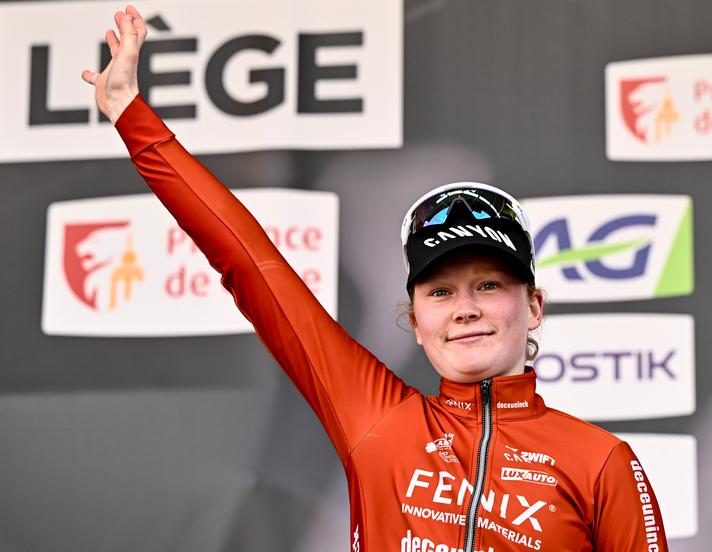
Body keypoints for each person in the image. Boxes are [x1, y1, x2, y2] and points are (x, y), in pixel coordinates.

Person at [82, 6, 669, 551]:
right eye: (439, 291)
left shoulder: (602, 461)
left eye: (488, 285)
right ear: (415, 321)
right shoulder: (374, 416)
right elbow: (248, 261)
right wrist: (135, 119)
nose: (464, 308)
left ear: (534, 306)